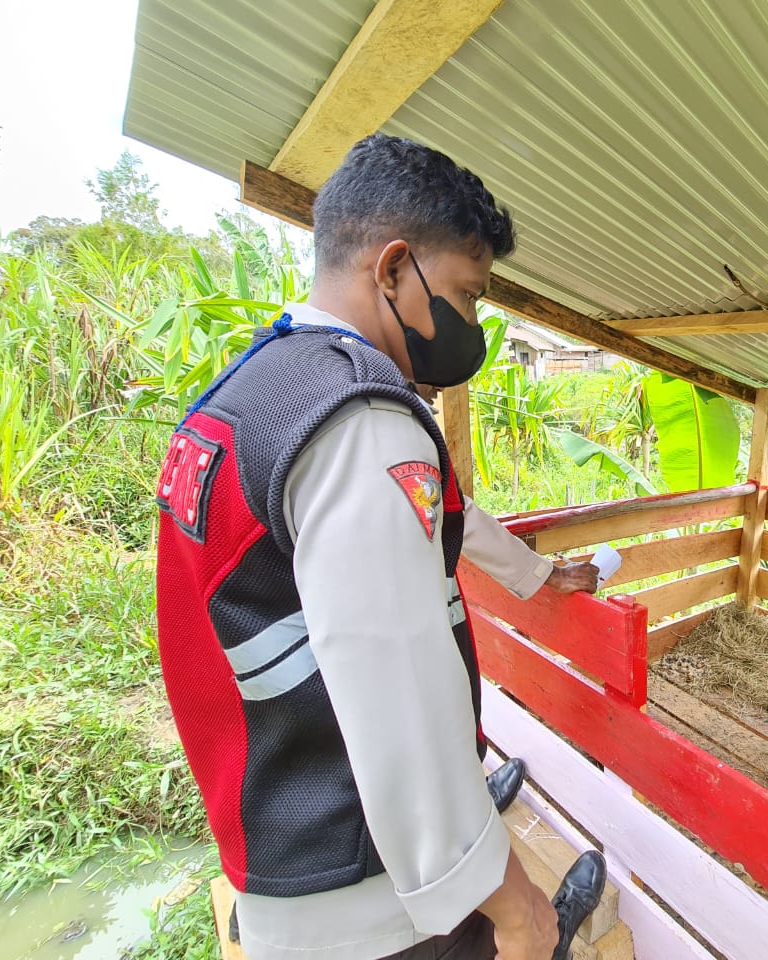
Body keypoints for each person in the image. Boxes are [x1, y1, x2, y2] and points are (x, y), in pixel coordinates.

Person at [155, 134, 604, 960]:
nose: (471, 326)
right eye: (467, 295)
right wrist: (510, 903)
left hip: (279, 842)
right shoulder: (360, 421)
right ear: (394, 269)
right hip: (371, 893)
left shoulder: (255, 391)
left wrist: (539, 574)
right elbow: (398, 694)